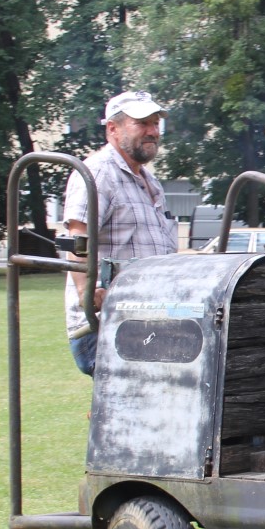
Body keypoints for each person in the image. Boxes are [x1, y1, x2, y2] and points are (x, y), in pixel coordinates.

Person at [62, 90, 179, 377]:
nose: (153, 131)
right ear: (113, 129)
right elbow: (78, 236)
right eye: (142, 124)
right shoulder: (99, 172)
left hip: (146, 319)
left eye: (155, 124)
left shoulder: (149, 181)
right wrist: (85, 290)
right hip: (107, 323)